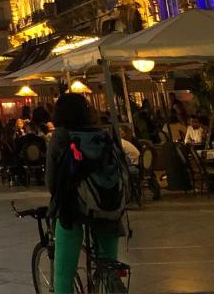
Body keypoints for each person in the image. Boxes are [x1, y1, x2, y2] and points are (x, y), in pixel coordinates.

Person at [46, 93, 124, 294]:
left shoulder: (61, 136)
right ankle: (110, 281)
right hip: (108, 206)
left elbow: (51, 182)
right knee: (108, 265)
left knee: (63, 273)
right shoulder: (103, 135)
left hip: (72, 211)